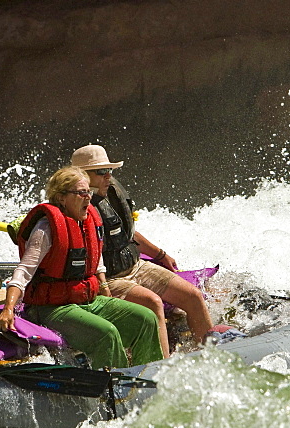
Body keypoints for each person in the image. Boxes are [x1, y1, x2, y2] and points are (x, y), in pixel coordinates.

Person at [0, 166, 162, 369]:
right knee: (107, 333)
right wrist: (8, 308)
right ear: (61, 198)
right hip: (52, 309)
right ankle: (115, 389)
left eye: (88, 192)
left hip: (88, 301)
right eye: (81, 193)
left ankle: (148, 378)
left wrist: (104, 287)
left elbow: (96, 259)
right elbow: (23, 272)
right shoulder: (45, 229)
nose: (88, 198)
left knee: (146, 319)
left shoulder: (88, 221)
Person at [71, 144, 214, 355]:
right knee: (153, 304)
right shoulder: (76, 205)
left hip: (136, 267)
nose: (108, 175)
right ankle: (161, 369)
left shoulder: (111, 192)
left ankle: (212, 356)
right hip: (111, 278)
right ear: (82, 175)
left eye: (110, 170)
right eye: (101, 171)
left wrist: (160, 254)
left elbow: (126, 233)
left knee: (193, 296)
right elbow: (87, 252)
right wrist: (102, 286)